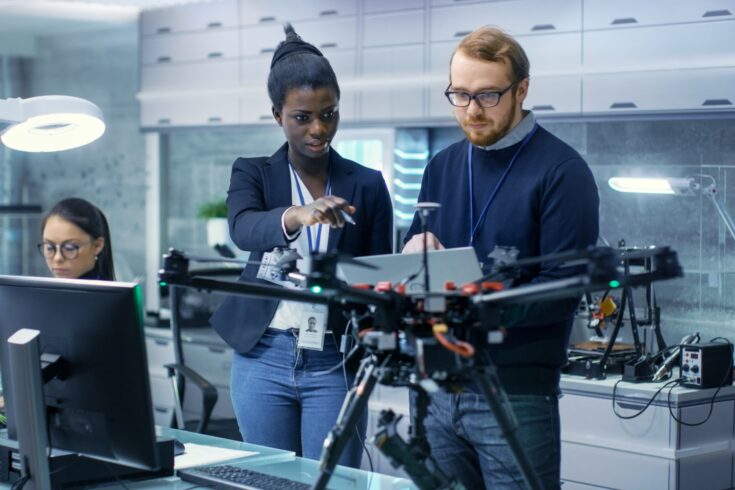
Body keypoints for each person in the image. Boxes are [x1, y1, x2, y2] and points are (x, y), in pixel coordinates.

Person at [403, 26, 599, 489]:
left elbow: (563, 291)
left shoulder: (562, 171)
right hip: (436, 386)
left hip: (515, 393)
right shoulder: (442, 165)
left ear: (522, 90)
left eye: (488, 95)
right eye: (460, 95)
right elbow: (416, 256)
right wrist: (413, 255)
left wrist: (471, 299)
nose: (471, 110)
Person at [210, 24, 393, 467]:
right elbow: (243, 228)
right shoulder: (253, 172)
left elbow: (379, 275)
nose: (318, 128)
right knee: (269, 476)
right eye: (302, 117)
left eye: (328, 114)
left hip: (333, 358)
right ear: (278, 115)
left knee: (332, 479)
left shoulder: (366, 184)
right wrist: (298, 214)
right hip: (262, 356)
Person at [38, 197, 115, 281]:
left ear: (97, 246)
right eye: (49, 247)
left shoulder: (108, 294)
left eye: (69, 248)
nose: (57, 258)